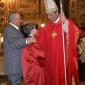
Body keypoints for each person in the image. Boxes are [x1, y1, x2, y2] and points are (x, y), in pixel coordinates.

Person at [37, 0, 80, 85]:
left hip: (62, 60)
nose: (49, 17)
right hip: (50, 61)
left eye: (51, 14)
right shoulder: (46, 27)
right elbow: (40, 42)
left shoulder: (64, 23)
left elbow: (75, 32)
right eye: (48, 15)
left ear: (57, 12)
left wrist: (65, 21)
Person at [3, 13, 36, 85]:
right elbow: (13, 43)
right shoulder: (9, 29)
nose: (20, 21)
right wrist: (27, 40)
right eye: (19, 19)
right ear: (13, 20)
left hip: (16, 64)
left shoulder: (14, 29)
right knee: (14, 82)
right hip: (14, 65)